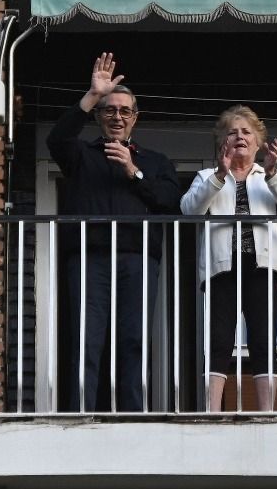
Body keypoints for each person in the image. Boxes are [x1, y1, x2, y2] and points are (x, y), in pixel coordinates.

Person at [47, 52, 181, 412]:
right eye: (109, 110)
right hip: (89, 258)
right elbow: (56, 140)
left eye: (124, 111)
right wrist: (92, 94)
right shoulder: (81, 154)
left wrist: (133, 172)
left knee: (133, 339)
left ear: (135, 117)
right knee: (86, 340)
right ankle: (80, 413)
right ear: (99, 116)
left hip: (136, 259)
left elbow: (170, 200)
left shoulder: (154, 161)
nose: (117, 117)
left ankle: (133, 414)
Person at [181, 105, 277, 412]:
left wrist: (274, 173)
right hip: (223, 266)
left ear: (258, 141)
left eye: (246, 132)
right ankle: (212, 410)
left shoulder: (269, 177)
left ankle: (266, 413)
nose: (240, 137)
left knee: (263, 340)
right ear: (222, 140)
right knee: (220, 338)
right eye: (232, 132)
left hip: (263, 267)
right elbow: (189, 211)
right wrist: (220, 175)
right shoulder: (207, 175)